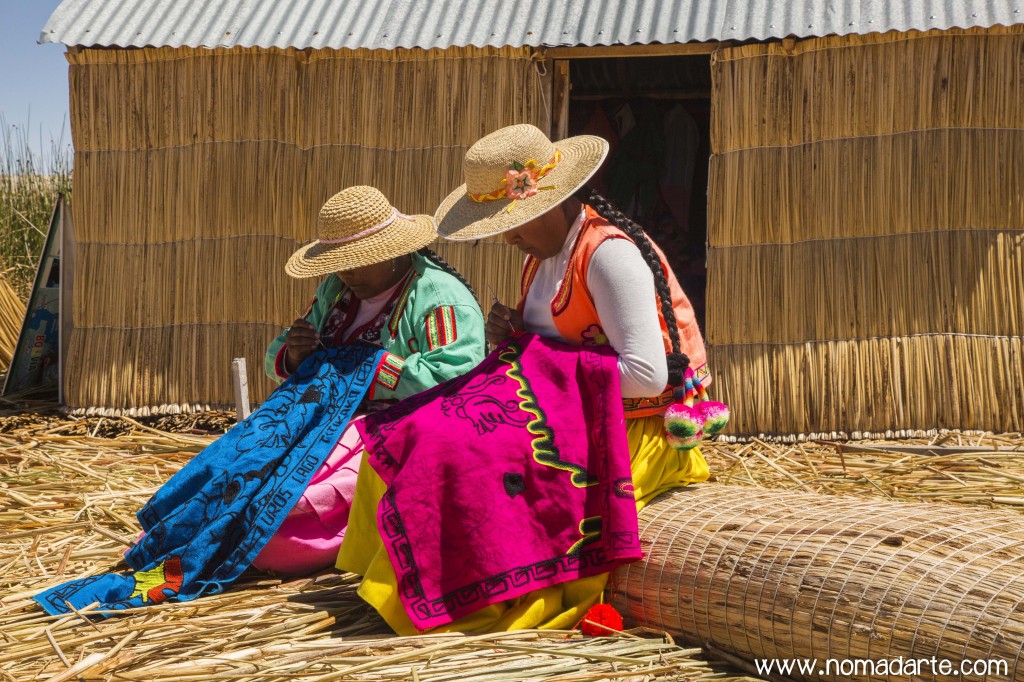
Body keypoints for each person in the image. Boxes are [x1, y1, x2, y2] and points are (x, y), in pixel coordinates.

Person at [337, 125, 713, 633]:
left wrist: (543, 361)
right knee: (408, 425)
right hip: (559, 411)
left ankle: (457, 598)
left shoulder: (608, 255)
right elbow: (559, 345)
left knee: (455, 449)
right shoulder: (543, 259)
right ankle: (394, 575)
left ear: (552, 201)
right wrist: (517, 334)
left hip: (625, 428)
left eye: (512, 222)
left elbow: (645, 376)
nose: (507, 236)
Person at [254, 185, 485, 575]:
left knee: (285, 510)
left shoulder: (439, 297)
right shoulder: (337, 288)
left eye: (357, 261)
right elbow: (276, 353)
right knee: (245, 479)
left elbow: (456, 377)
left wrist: (368, 369)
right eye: (339, 261)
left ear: (392, 251)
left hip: (392, 435)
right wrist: (296, 353)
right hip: (318, 420)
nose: (346, 271)